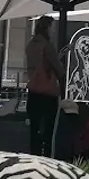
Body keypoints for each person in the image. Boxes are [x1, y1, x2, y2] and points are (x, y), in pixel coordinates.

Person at [25, 16, 63, 156]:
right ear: (47, 27)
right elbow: (59, 70)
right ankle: (47, 158)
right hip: (47, 93)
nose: (54, 31)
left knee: (34, 129)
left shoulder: (31, 45)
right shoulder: (47, 45)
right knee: (48, 131)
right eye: (53, 27)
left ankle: (33, 156)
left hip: (33, 91)